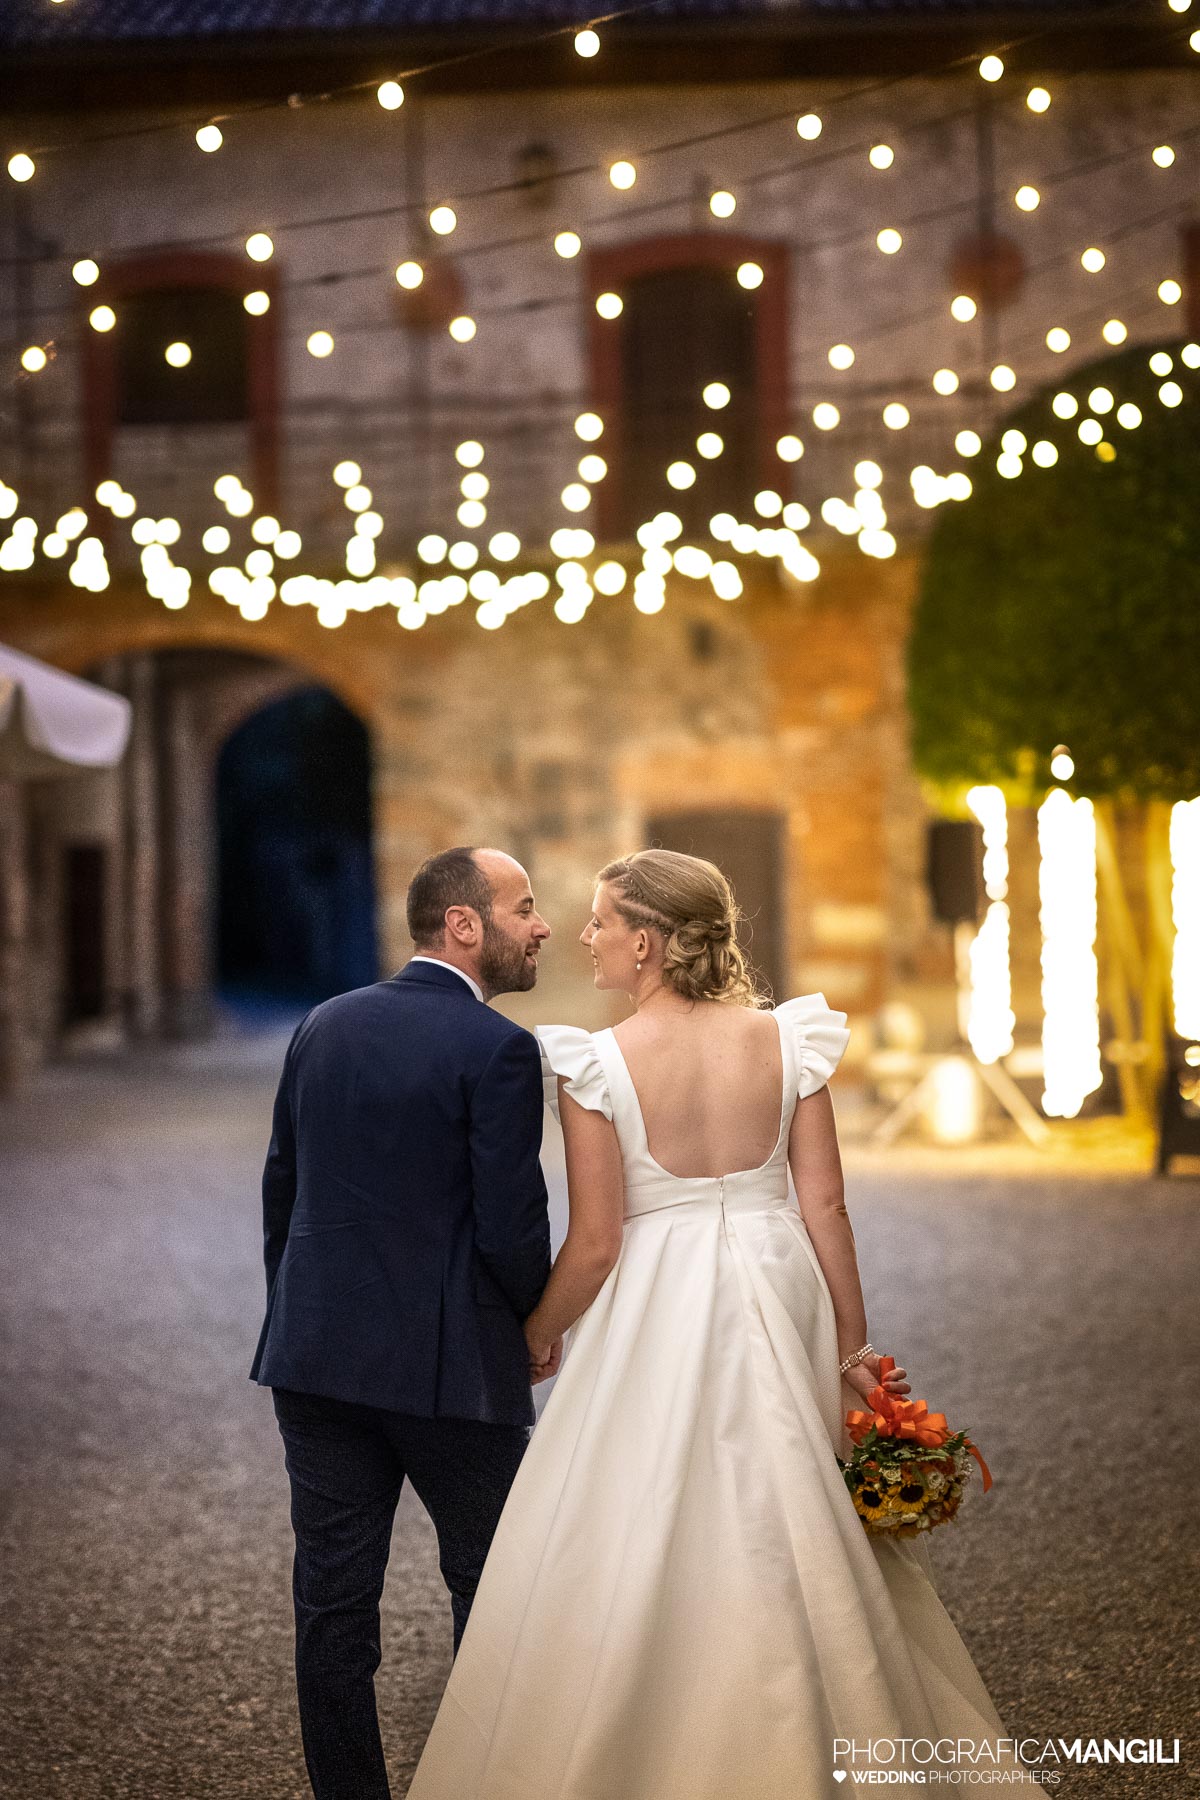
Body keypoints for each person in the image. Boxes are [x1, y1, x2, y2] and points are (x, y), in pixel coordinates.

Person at [407, 848, 1032, 1799]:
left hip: (657, 1296)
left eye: (603, 921)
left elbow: (597, 1243)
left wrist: (538, 1332)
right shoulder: (789, 1043)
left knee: (640, 1500)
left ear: (647, 943)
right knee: (790, 1494)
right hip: (780, 1288)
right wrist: (853, 1350)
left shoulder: (594, 1064)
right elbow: (827, 1208)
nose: (585, 936)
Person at [250, 847, 554, 1800]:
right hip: (449, 1367)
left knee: (332, 1607)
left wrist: (298, 1314)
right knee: (493, 1590)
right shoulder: (498, 1048)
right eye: (524, 906)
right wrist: (535, 1324)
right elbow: (511, 1227)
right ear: (463, 924)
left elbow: (282, 1190)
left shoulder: (323, 1023)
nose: (541, 925)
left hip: (314, 1357)